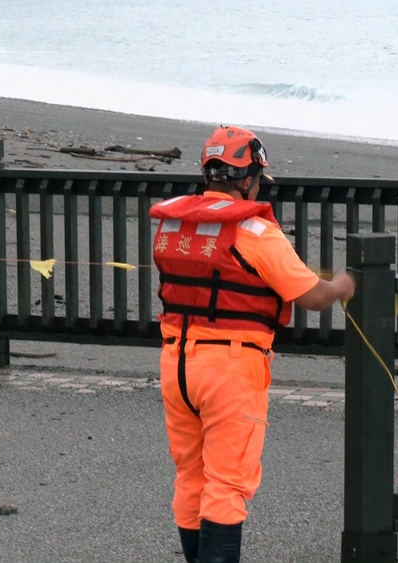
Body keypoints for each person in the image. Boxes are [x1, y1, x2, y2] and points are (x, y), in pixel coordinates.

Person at [149, 125, 355, 563]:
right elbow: (312, 298)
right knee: (227, 484)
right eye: (259, 178)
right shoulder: (256, 232)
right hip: (231, 370)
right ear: (247, 178)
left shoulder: (173, 225)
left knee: (191, 476)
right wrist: (341, 284)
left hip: (175, 363)